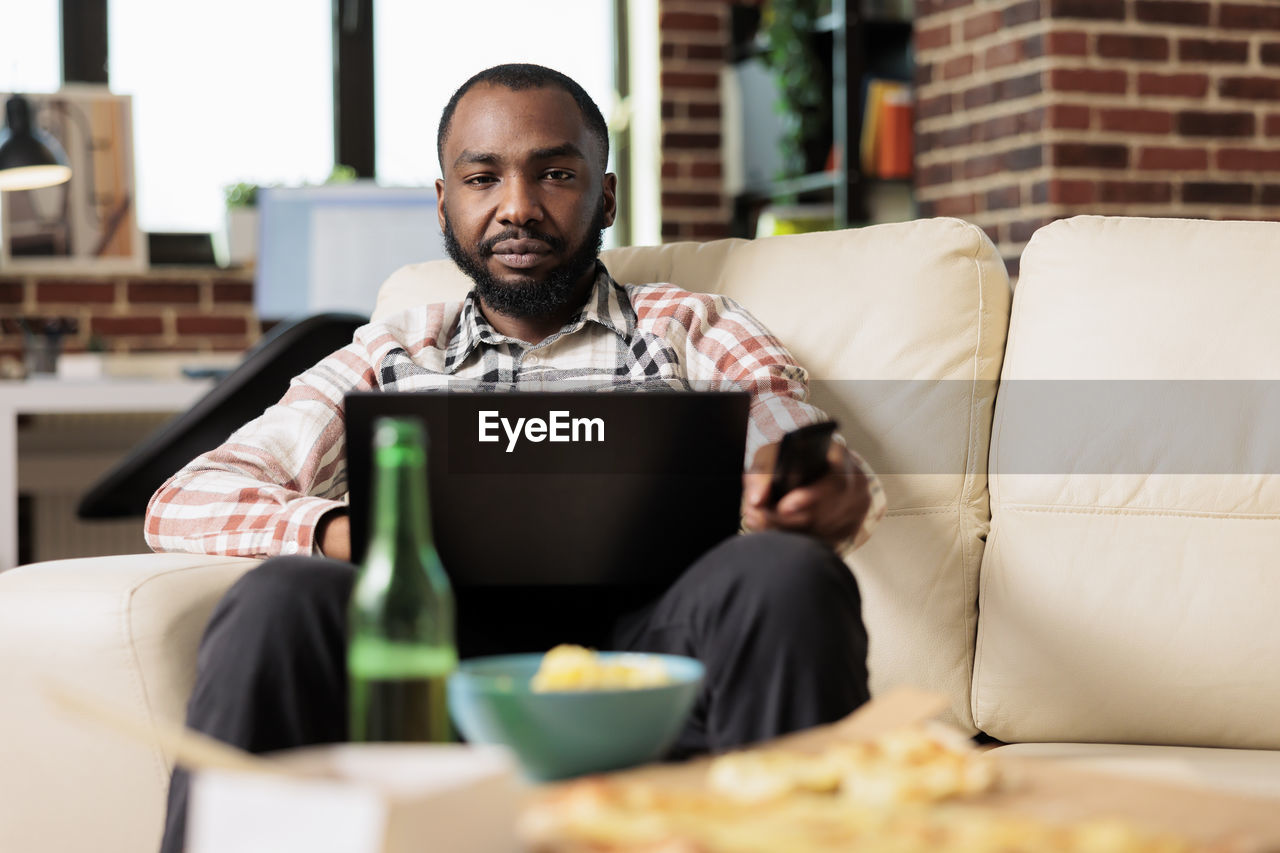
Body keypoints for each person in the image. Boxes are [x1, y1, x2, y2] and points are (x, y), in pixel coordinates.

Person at [148, 63, 886, 852]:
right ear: (444, 203)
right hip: (440, 665)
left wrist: (813, 490)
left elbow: (801, 447)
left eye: (555, 174)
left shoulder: (691, 326)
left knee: (787, 572)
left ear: (604, 195)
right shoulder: (392, 350)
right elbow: (188, 497)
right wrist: (343, 531)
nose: (518, 208)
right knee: (279, 597)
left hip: (654, 655)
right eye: (482, 177)